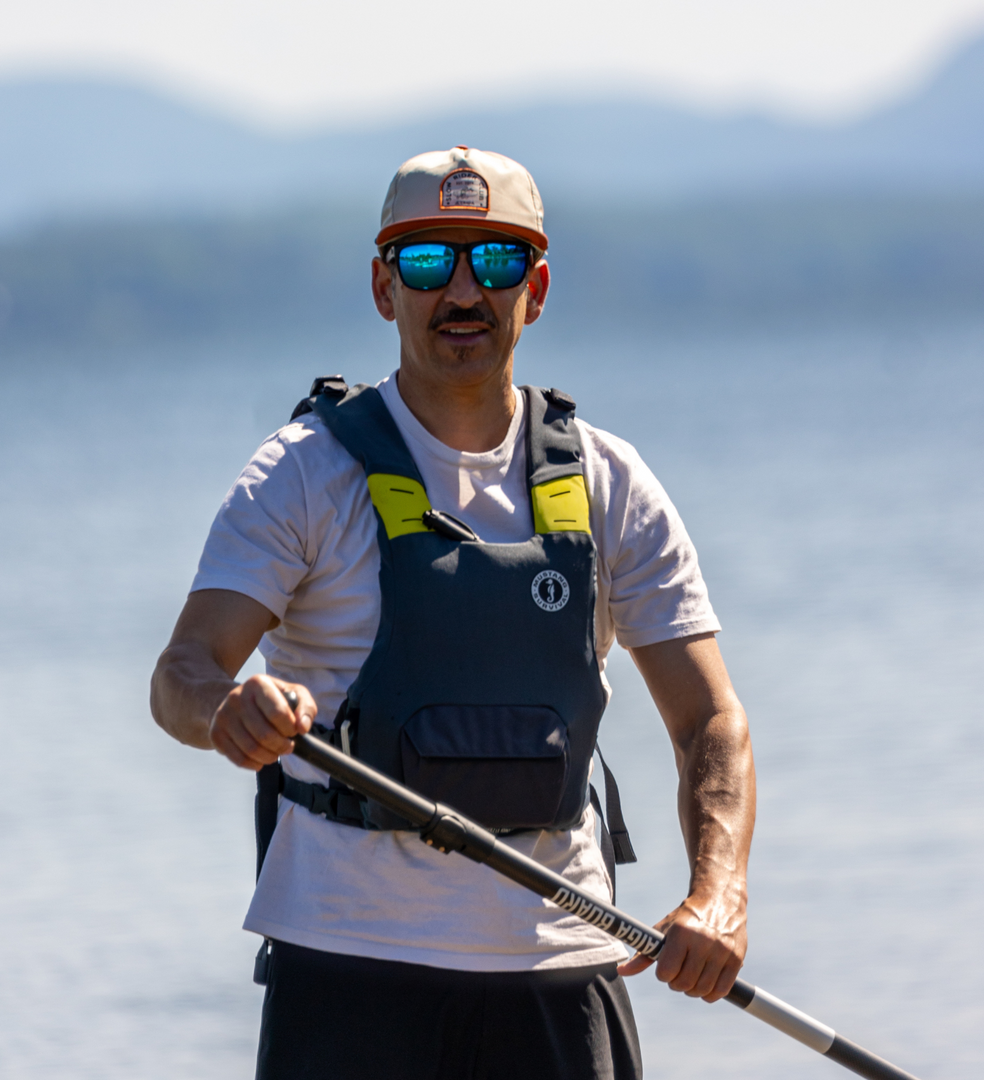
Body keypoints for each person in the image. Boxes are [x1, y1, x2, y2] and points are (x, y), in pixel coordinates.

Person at [150, 146, 756, 1080]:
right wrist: (228, 710)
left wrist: (717, 894)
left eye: (497, 261)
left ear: (539, 286)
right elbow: (181, 674)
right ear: (384, 287)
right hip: (351, 973)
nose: (464, 291)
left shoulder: (609, 482)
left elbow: (710, 719)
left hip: (560, 970)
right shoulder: (302, 475)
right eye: (430, 261)